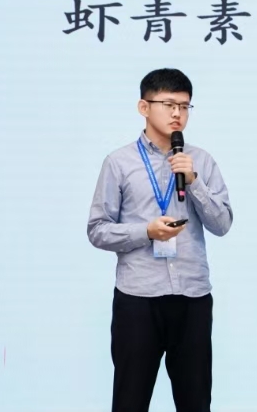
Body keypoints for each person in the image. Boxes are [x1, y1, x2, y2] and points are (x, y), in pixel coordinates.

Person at [87, 68, 233, 412]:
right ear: (144, 107)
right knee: (130, 401)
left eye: (184, 106)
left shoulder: (201, 161)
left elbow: (222, 224)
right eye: (168, 104)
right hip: (138, 299)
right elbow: (97, 229)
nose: (177, 113)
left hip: (193, 297)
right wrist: (146, 232)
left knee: (196, 403)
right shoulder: (119, 162)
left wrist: (193, 181)